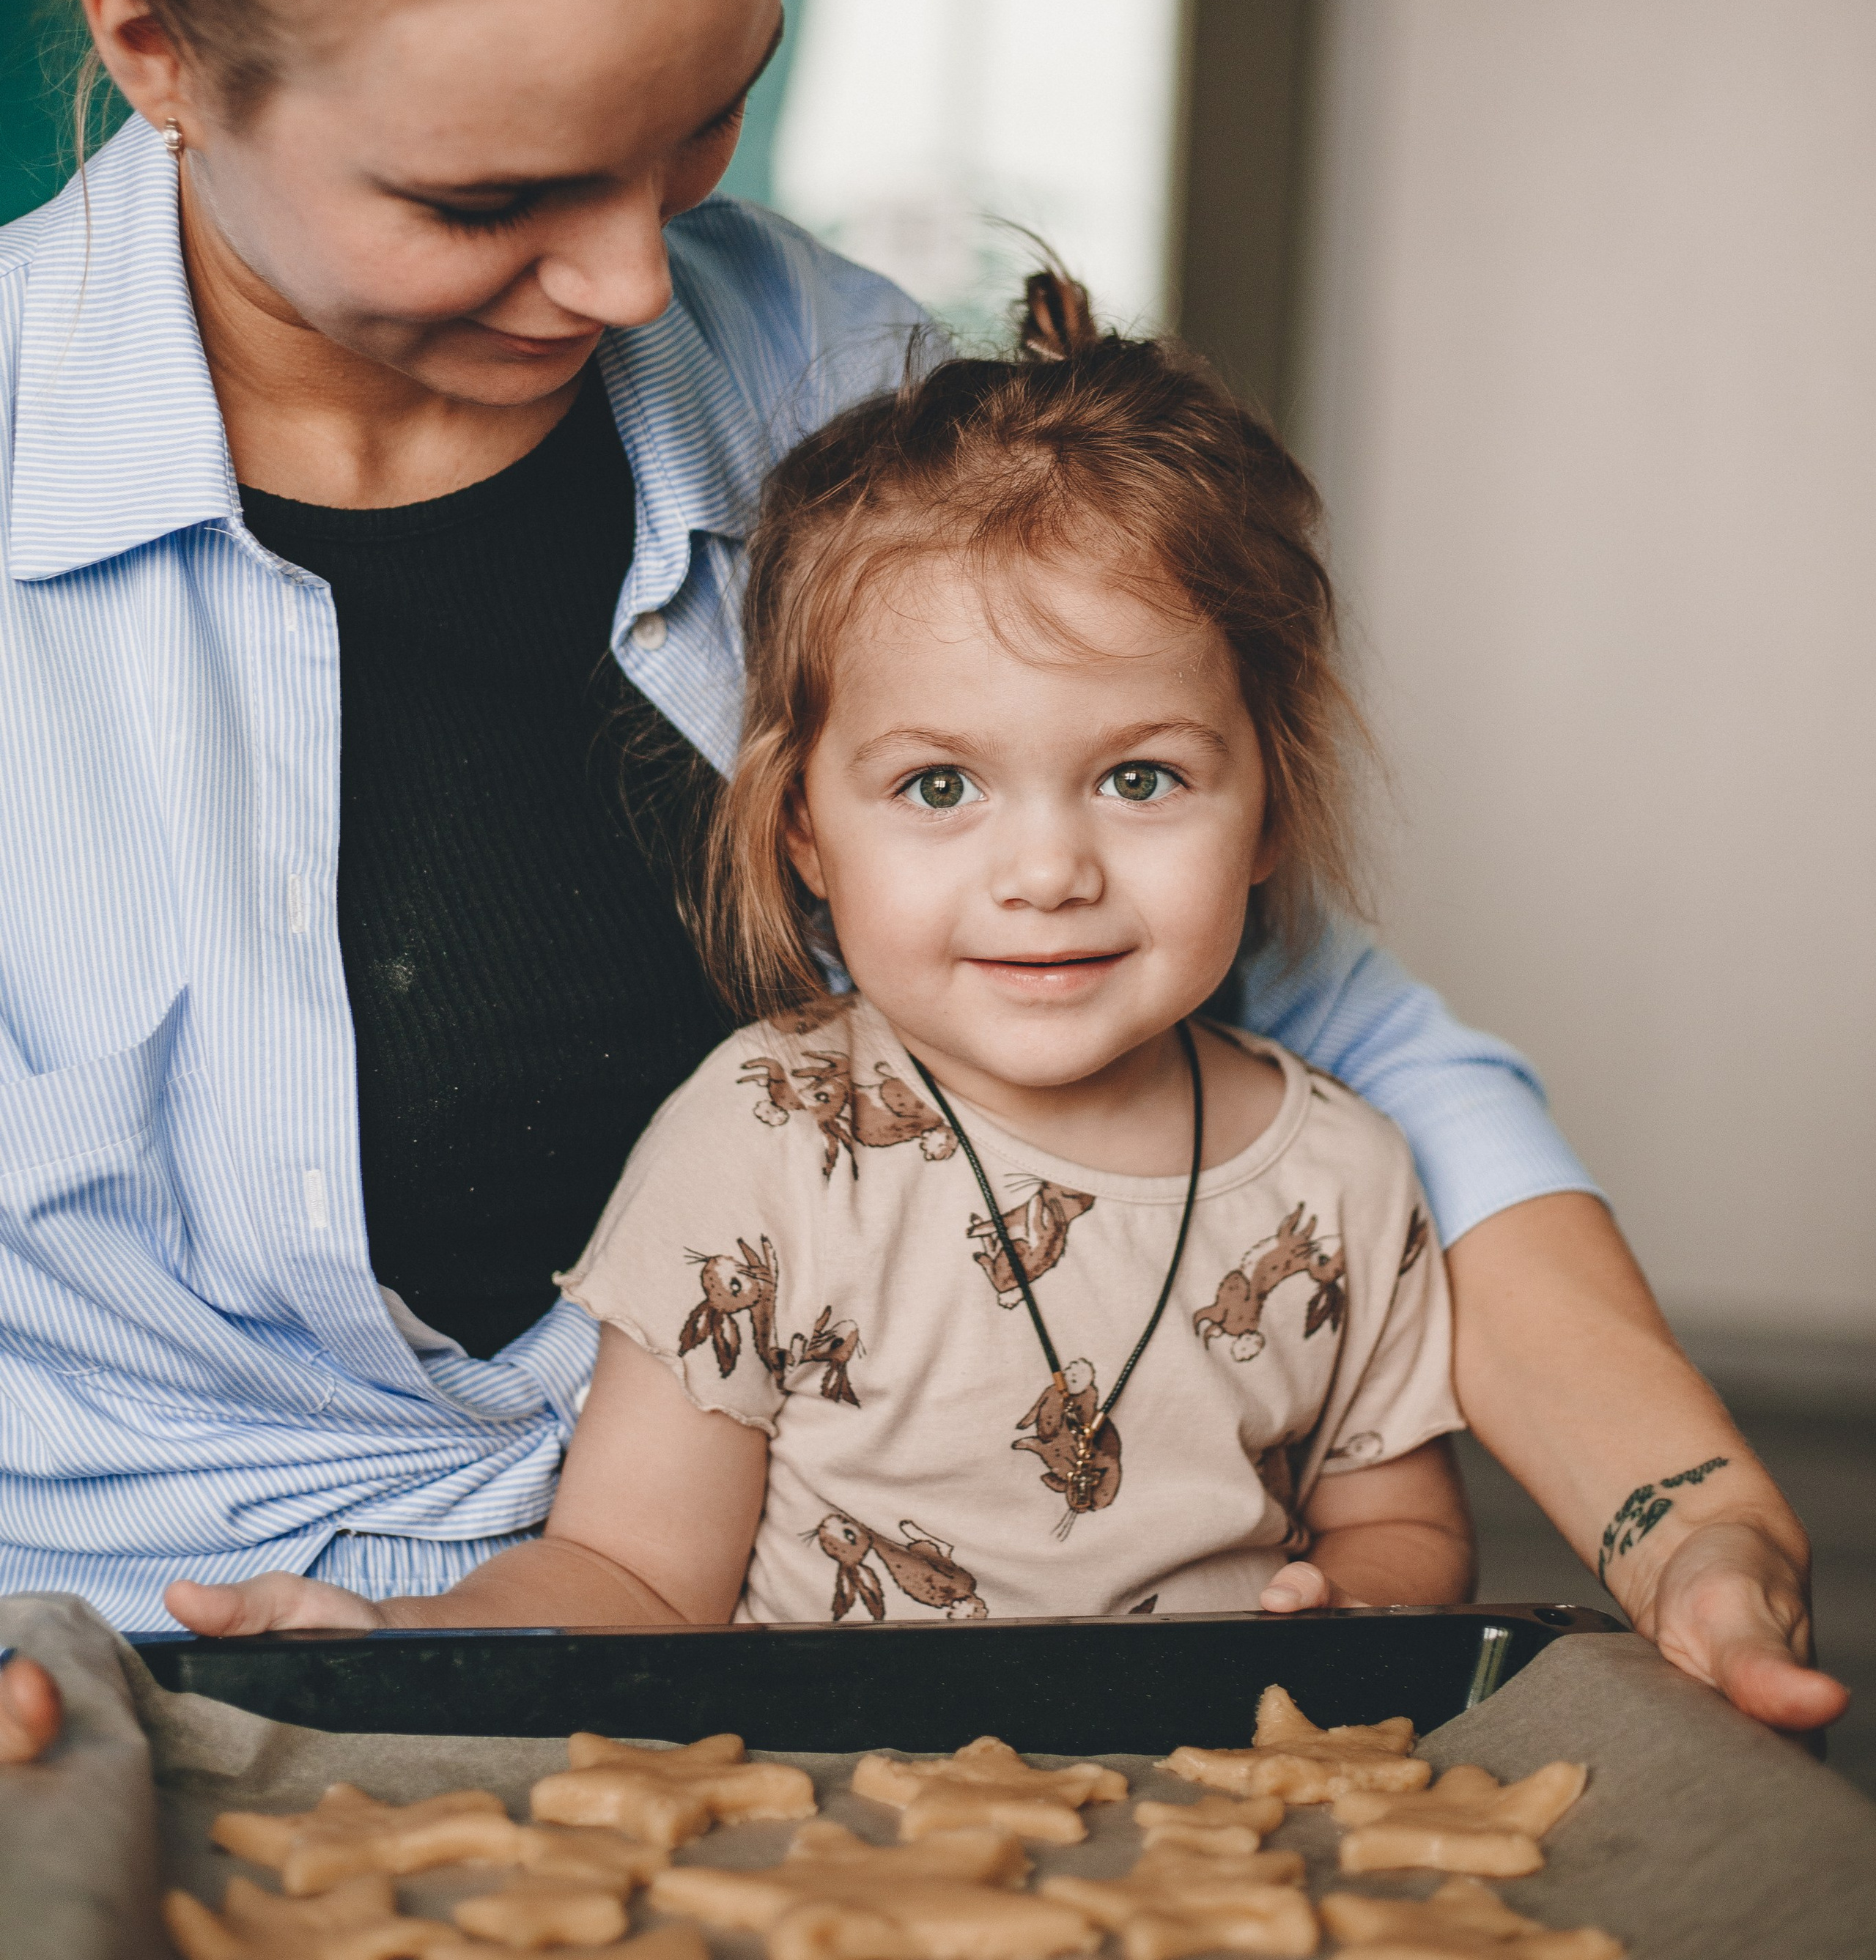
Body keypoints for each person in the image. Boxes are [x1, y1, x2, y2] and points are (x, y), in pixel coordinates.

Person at [0, 0, 1842, 1749]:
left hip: (806, 1706)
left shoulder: (832, 392)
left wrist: (1682, 1515)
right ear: (151, 38)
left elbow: (1339, 1041)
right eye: (491, 196)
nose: (636, 282)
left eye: (705, 120)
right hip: (108, 1707)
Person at [169, 275, 1480, 1632]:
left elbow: (1400, 1524)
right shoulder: (761, 1144)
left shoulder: (1344, 1177)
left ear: (1270, 807)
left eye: (1140, 779)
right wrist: (405, 1642)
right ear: (802, 829)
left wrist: (1357, 1601)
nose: (1048, 876)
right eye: (938, 787)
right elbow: (630, 1572)